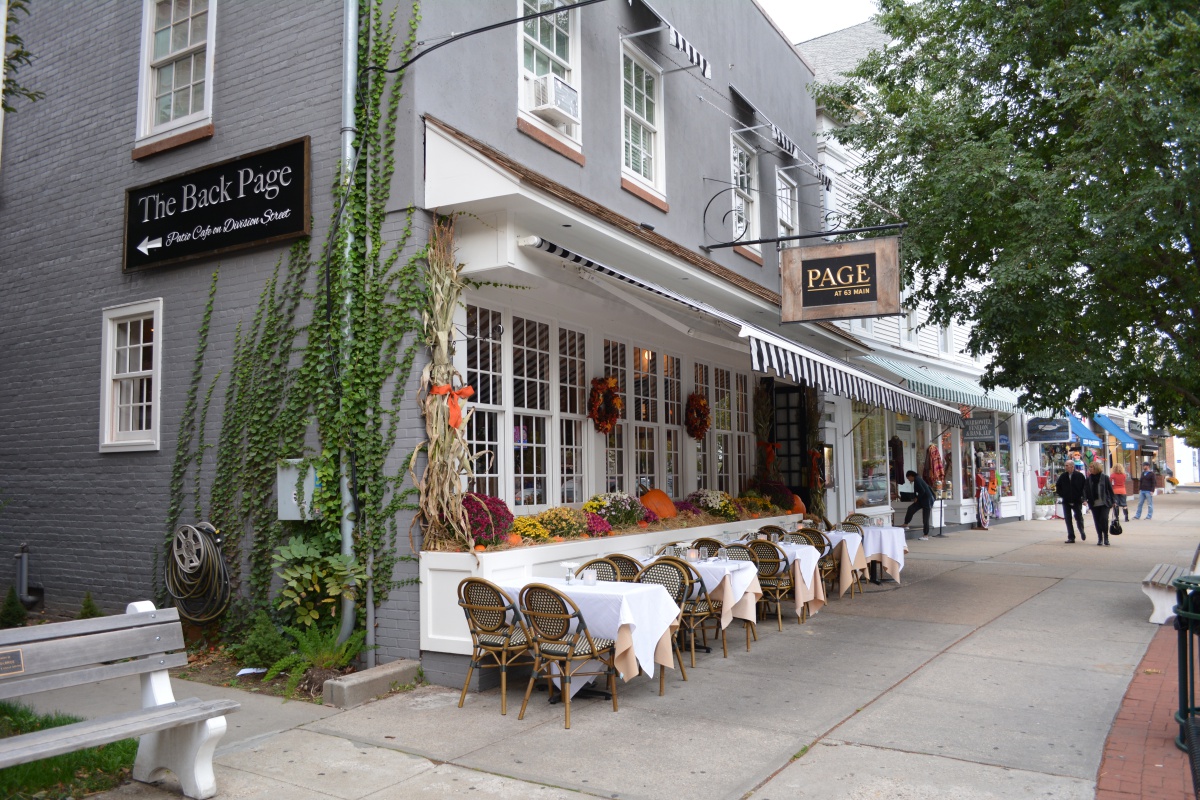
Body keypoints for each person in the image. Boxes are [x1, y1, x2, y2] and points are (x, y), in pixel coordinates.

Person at [1083, 461, 1116, 546]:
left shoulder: (1105, 478)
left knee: (1104, 519)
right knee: (1097, 521)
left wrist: (1113, 501)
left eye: (1091, 467)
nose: (1090, 469)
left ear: (1096, 468)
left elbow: (1110, 490)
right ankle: (1100, 538)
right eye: (1089, 467)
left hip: (1104, 503)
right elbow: (1085, 491)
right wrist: (1085, 499)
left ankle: (1106, 538)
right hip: (1094, 504)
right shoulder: (1088, 479)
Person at [1055, 459, 1087, 542]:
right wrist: (1063, 494)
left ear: (1072, 466)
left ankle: (1081, 530)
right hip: (1066, 500)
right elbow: (1058, 486)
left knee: (1078, 517)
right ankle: (1071, 537)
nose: (1065, 467)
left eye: (1067, 465)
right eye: (1065, 465)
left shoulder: (1079, 476)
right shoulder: (1063, 476)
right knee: (1068, 519)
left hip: (1077, 500)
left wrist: (1084, 498)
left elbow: (1084, 488)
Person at [902, 469, 937, 537]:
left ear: (911, 476)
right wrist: (916, 497)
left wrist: (917, 498)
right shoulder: (918, 479)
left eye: (908, 478)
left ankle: (925, 534)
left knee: (925, 518)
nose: (908, 480)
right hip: (922, 500)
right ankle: (906, 524)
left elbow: (922, 491)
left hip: (927, 500)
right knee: (911, 508)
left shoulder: (917, 480)